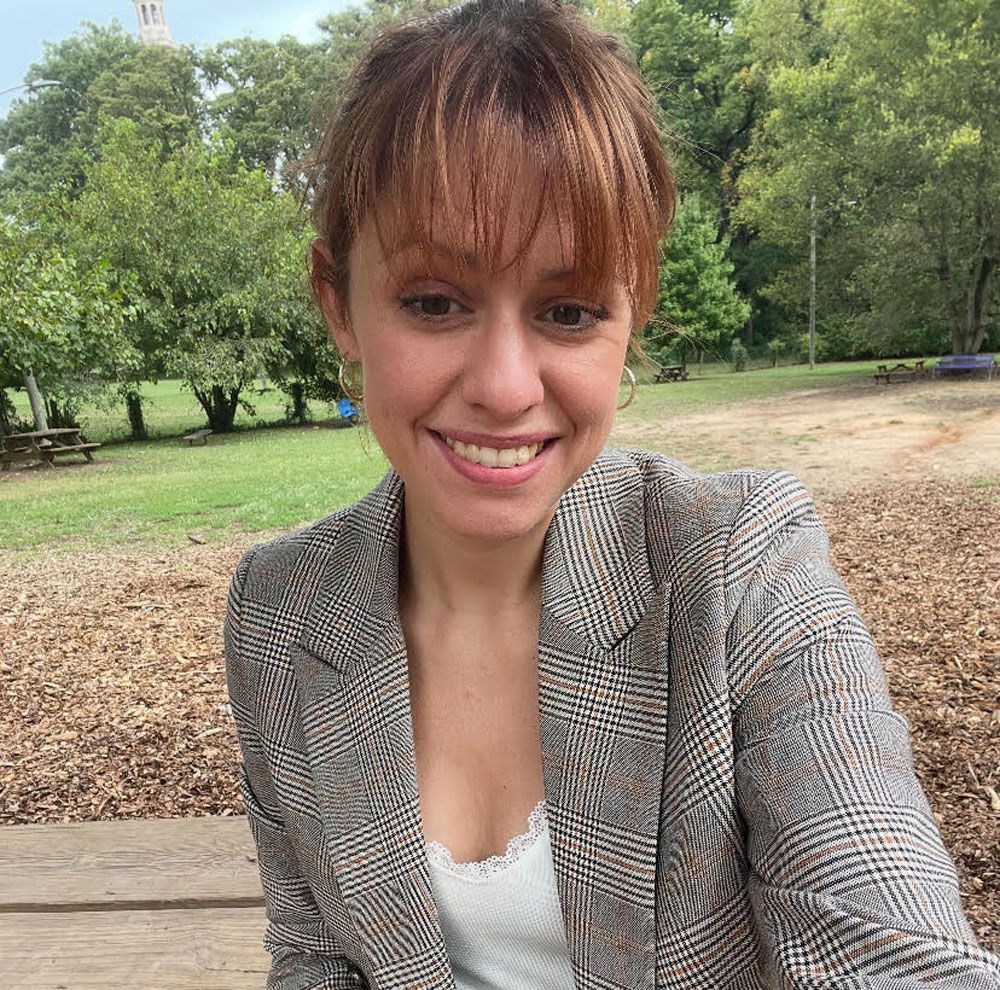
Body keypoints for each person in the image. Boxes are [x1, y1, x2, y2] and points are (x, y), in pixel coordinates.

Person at [223, 1, 1000, 987]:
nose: (505, 387)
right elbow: (317, 956)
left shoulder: (735, 572)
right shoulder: (277, 613)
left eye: (569, 309)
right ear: (338, 304)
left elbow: (893, 950)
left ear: (630, 316)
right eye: (433, 301)